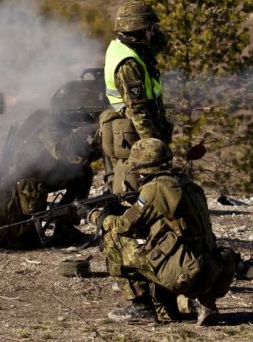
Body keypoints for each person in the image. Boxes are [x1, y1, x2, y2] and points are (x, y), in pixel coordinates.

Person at [89, 138, 238, 325]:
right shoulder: (187, 184)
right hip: (210, 266)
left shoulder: (155, 189)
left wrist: (98, 218)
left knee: (113, 239)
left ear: (141, 166)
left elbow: (124, 226)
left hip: (185, 271)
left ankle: (141, 307)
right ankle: (202, 301)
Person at [0, 105, 100, 248]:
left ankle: (65, 227)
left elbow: (71, 157)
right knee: (23, 240)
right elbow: (59, 150)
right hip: (22, 183)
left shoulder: (62, 124)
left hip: (40, 177)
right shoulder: (46, 122)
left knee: (83, 174)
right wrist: (87, 131)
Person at [100, 1, 174, 195]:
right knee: (136, 182)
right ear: (138, 31)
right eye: (149, 29)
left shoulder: (132, 46)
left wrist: (149, 25)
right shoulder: (128, 63)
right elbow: (137, 111)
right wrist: (155, 147)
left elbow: (162, 42)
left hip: (137, 122)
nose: (152, 33)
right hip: (133, 129)